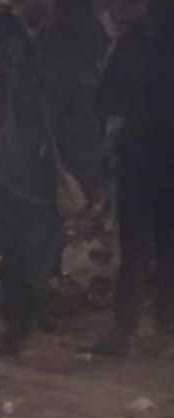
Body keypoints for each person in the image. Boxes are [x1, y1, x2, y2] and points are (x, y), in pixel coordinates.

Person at [0, 1, 64, 355]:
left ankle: (8, 317)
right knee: (20, 251)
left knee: (8, 246)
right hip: (17, 179)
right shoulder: (26, 80)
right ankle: (17, 322)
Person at [95, 0, 174, 354]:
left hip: (138, 157)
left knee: (135, 249)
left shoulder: (133, 41)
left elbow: (104, 98)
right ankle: (166, 330)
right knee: (169, 249)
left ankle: (125, 330)